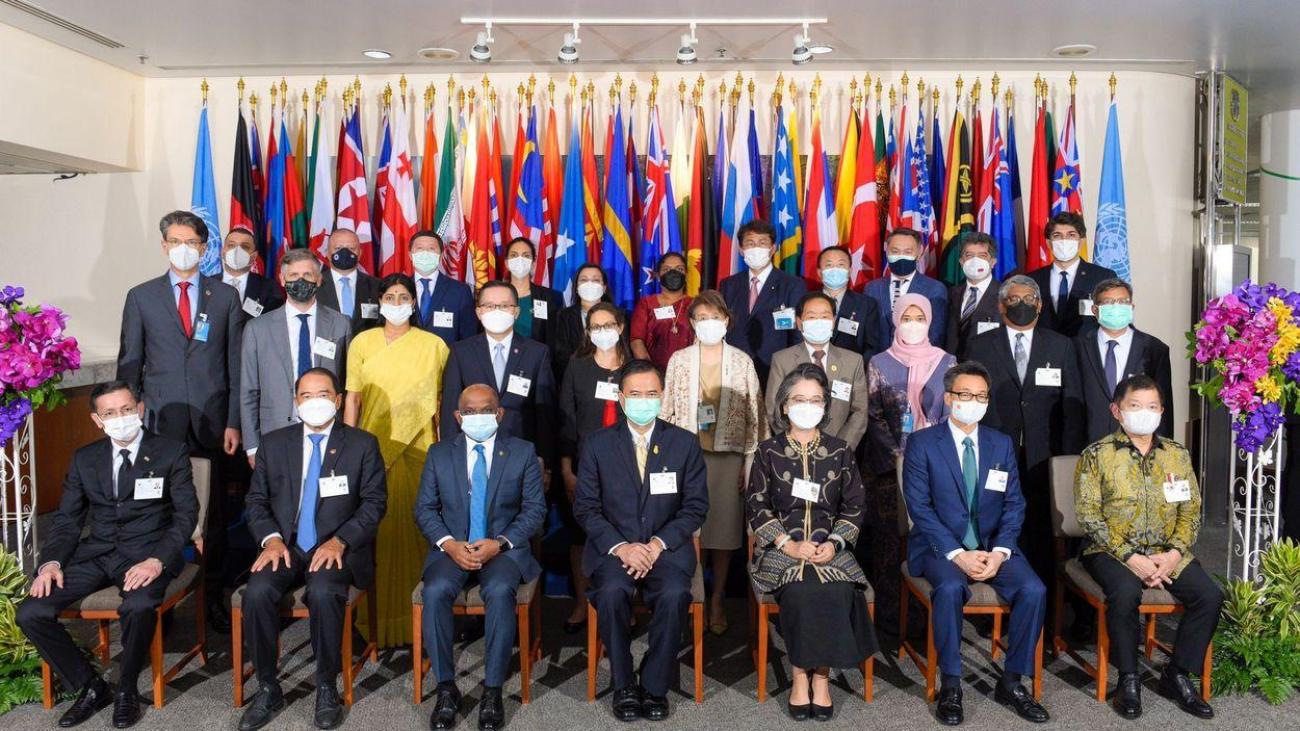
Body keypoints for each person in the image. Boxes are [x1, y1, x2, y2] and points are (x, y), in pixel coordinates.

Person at [19, 381, 197, 729]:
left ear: (140, 409)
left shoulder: (170, 452)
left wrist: (156, 560)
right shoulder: (85, 458)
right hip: (97, 553)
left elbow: (186, 516)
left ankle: (126, 689)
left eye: (127, 409)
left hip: (149, 554)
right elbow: (68, 521)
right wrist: (51, 563)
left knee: (139, 605)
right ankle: (89, 686)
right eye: (110, 413)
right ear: (97, 420)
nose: (121, 418)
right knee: (32, 611)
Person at [237, 369, 387, 731]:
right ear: (295, 402)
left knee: (322, 591)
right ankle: (268, 686)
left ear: (337, 400)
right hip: (284, 545)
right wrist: (270, 539)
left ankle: (325, 685)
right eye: (306, 395)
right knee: (256, 593)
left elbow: (374, 504)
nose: (314, 402)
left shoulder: (362, 444)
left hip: (336, 547)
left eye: (323, 394)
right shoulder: (274, 444)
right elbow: (255, 501)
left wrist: (341, 540)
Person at [902, 361, 1049, 726]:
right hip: (941, 548)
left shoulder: (1000, 444)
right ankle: (951, 684)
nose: (975, 402)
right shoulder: (922, 443)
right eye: (966, 394)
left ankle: (1013, 681)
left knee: (1034, 589)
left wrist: (1000, 552)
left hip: (992, 546)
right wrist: (958, 554)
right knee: (950, 587)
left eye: (981, 396)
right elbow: (919, 508)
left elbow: (1015, 503)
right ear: (950, 398)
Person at [116, 209, 242, 633]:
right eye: (176, 241)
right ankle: (162, 600)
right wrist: (127, 422)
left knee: (214, 516)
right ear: (164, 245)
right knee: (159, 513)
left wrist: (234, 422)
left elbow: (235, 365)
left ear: (205, 248)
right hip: (159, 426)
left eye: (193, 241)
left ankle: (214, 599)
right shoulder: (141, 297)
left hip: (212, 424)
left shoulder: (224, 297)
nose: (184, 248)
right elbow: (130, 364)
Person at [1075, 375, 1222, 721]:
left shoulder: (1177, 455)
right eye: (1135, 406)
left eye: (1152, 407)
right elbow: (1088, 516)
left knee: (1209, 596)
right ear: (1117, 410)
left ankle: (1178, 674)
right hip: (1111, 551)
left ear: (1162, 411)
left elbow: (1190, 510)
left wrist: (1173, 554)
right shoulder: (1097, 455)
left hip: (1167, 551)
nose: (1145, 413)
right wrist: (1131, 557)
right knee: (1125, 593)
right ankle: (1129, 677)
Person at [574, 360, 708, 723]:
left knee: (674, 595)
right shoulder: (598, 444)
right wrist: (623, 547)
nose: (644, 400)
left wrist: (656, 545)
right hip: (613, 551)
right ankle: (623, 684)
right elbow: (585, 508)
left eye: (651, 394)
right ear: (621, 398)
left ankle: (653, 684)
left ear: (662, 397)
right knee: (612, 593)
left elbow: (695, 507)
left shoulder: (684, 443)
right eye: (635, 394)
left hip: (666, 551)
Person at [746, 364, 877, 722]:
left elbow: (854, 506)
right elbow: (756, 504)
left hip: (829, 550)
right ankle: (800, 675)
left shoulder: (840, 451)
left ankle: (823, 678)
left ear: (826, 406)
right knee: (803, 591)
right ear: (785, 406)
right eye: (799, 399)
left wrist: (835, 543)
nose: (808, 405)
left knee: (836, 591)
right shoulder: (767, 451)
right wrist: (787, 544)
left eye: (816, 399)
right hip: (780, 551)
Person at [416, 385, 546, 731]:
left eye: (486, 409)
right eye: (469, 412)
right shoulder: (439, 453)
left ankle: (492, 691)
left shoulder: (522, 452)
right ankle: (446, 689)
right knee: (434, 590)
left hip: (502, 549)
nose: (478, 417)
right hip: (453, 547)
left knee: (501, 590)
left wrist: (500, 543)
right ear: (458, 418)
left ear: (500, 413)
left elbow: (535, 511)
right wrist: (448, 544)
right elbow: (425, 510)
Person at [344, 273, 450, 647]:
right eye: (390, 295)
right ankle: (374, 623)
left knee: (419, 534)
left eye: (403, 295)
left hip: (421, 454)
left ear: (414, 302)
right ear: (379, 302)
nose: (397, 301)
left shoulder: (434, 345)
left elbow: (439, 406)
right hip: (372, 453)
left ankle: (419, 622)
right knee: (375, 536)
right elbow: (352, 400)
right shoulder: (362, 342)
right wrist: (345, 450)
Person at [966, 275, 1084, 592]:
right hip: (995, 452)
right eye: (1015, 299)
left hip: (1044, 456)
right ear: (1001, 305)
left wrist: (1067, 457)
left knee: (1041, 527)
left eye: (1029, 298)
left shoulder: (1060, 345)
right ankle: (994, 594)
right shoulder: (980, 345)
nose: (1023, 304)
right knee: (995, 521)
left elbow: (1071, 408)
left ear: (1040, 305)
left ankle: (1039, 600)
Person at [661, 290, 766, 635]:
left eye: (715, 318)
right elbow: (666, 413)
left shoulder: (741, 361)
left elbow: (756, 417)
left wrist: (748, 465)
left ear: (726, 321)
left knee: (721, 533)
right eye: (701, 318)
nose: (708, 324)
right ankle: (695, 594)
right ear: (691, 322)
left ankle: (718, 596)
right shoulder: (679, 360)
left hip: (728, 460)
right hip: (687, 457)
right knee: (691, 531)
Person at [861, 293, 956, 626]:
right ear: (895, 320)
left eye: (919, 319)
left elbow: (952, 414)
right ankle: (888, 615)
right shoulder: (879, 362)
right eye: (906, 318)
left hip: (935, 467)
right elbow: (873, 416)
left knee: (929, 537)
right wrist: (899, 455)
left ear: (929, 321)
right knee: (889, 540)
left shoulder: (947, 361)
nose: (912, 325)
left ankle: (923, 616)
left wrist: (929, 454)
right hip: (889, 469)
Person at [556, 303, 630, 633]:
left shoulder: (635, 368)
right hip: (585, 465)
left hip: (628, 467)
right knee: (580, 535)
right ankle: (583, 601)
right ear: (587, 331)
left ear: (621, 326)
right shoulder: (578, 366)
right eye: (595, 326)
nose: (602, 331)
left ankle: (621, 602)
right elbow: (566, 421)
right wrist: (567, 469)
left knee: (623, 532)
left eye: (608, 325)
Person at [240, 248, 351, 461]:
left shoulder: (340, 324)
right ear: (282, 279)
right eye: (294, 275)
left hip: (329, 431)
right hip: (275, 433)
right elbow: (248, 391)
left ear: (319, 280)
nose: (301, 280)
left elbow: (347, 383)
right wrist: (252, 446)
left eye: (308, 275)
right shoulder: (257, 328)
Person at [440, 281, 556, 471]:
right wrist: (449, 456)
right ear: (478, 312)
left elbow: (545, 414)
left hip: (522, 455)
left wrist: (545, 460)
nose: (497, 311)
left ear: (516, 312)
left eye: (504, 306)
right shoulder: (460, 352)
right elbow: (450, 410)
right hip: (471, 453)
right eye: (489, 306)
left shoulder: (537, 352)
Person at [767, 291, 870, 452]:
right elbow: (773, 408)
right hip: (794, 451)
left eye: (825, 317)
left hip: (839, 453)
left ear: (833, 321)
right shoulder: (782, 360)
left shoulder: (853, 361)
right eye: (812, 317)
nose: (819, 322)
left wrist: (840, 449)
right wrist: (796, 444)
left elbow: (860, 412)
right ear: (800, 322)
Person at [1076, 278, 1175, 442]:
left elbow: (1164, 407)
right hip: (1088, 445)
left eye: (1123, 302)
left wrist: (1161, 450)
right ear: (1095, 309)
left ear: (1132, 307)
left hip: (1138, 446)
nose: (1116, 307)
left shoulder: (1155, 349)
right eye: (1108, 302)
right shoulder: (1076, 346)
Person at [719, 219, 807, 384]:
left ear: (772, 249)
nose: (756, 248)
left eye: (762, 243)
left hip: (777, 370)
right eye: (750, 243)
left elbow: (797, 334)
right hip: (734, 370)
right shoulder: (728, 285)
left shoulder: (793, 285)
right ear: (741, 249)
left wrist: (792, 371)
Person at [1027, 212, 1118, 337]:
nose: (1064, 240)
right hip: (1046, 353)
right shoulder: (1032, 280)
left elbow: (1113, 322)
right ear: (1049, 243)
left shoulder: (1103, 277)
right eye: (1057, 235)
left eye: (1071, 235)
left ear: (1081, 241)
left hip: (1086, 353)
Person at [863, 228, 948, 347]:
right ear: (887, 253)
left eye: (907, 252)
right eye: (895, 251)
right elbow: (867, 331)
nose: (901, 256)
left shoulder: (935, 289)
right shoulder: (872, 288)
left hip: (918, 361)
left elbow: (936, 334)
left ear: (918, 254)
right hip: (877, 361)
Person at [552, 263, 620, 381]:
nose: (590, 284)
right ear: (576, 288)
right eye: (584, 280)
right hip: (576, 380)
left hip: (613, 379)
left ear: (604, 288)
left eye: (595, 280)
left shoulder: (620, 315)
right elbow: (560, 355)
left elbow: (624, 351)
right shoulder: (563, 316)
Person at [409, 230, 479, 345]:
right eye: (420, 248)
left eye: (431, 249)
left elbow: (468, 337)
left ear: (441, 255)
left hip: (447, 360)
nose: (425, 253)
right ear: (410, 255)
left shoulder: (460, 291)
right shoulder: (401, 288)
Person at [630, 252, 695, 373]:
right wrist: (650, 373)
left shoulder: (695, 305)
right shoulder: (646, 304)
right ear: (658, 276)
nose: (673, 273)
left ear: (686, 275)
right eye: (667, 269)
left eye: (679, 269)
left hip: (689, 373)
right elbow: (636, 341)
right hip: (654, 374)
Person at [818, 246, 883, 362]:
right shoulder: (805, 301)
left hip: (850, 373)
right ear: (819, 272)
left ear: (850, 271)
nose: (835, 270)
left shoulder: (866, 305)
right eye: (829, 265)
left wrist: (856, 372)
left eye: (840, 265)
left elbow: (871, 346)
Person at [944, 233, 1002, 359]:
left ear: (993, 262)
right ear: (961, 261)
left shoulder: (1005, 295)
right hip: (951, 369)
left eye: (982, 255)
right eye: (969, 255)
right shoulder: (949, 294)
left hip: (988, 370)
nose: (975, 261)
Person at [315, 228, 382, 334]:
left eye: (351, 248)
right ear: (327, 253)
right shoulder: (314, 286)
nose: (345, 253)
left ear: (359, 253)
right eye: (338, 248)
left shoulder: (377, 286)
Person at [503, 236, 565, 347]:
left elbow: (555, 341)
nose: (520, 260)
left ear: (533, 262)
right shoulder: (493, 296)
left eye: (526, 256)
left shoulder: (550, 297)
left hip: (537, 362)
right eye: (514, 255)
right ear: (506, 263)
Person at [221, 227, 284, 321]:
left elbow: (274, 324)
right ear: (222, 252)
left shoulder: (269, 288)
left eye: (245, 247)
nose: (237, 250)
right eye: (231, 245)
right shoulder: (205, 285)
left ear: (254, 256)